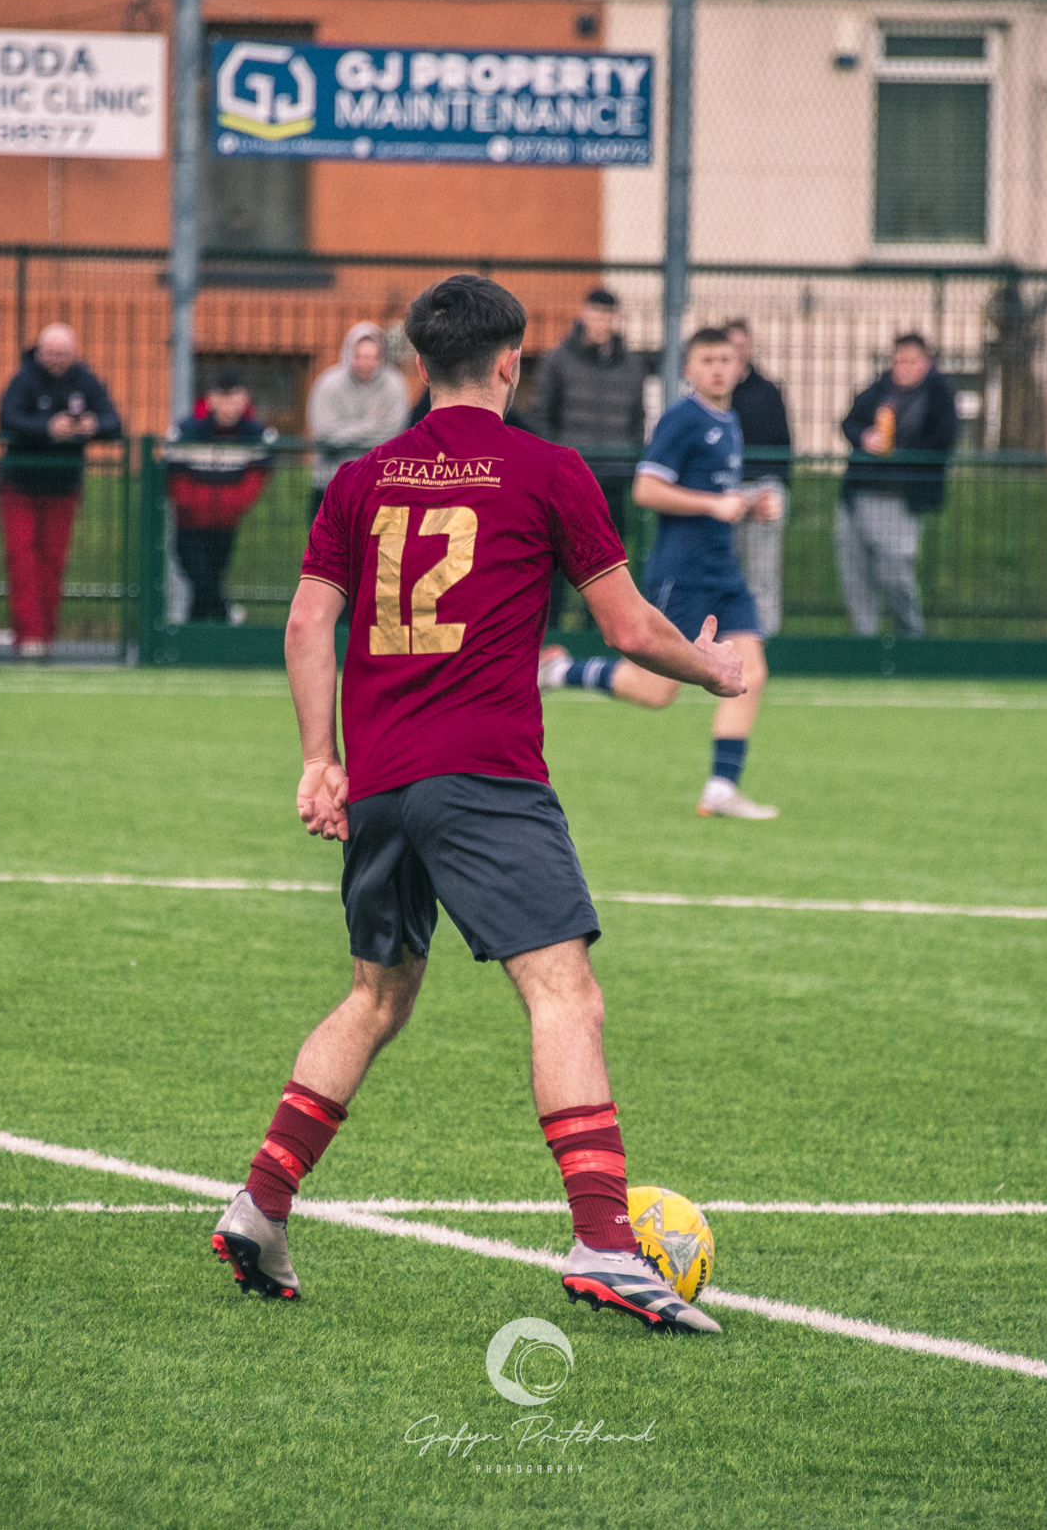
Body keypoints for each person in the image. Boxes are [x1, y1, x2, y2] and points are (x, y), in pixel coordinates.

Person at [209, 273, 742, 1334]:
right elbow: (632, 629)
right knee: (564, 996)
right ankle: (604, 1241)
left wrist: (323, 758)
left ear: (417, 365)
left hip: (387, 784)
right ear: (511, 362)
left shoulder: (360, 478)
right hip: (486, 778)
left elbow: (308, 627)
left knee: (375, 999)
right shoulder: (546, 469)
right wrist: (716, 672)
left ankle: (260, 1203)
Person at [540, 327, 781, 819]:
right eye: (707, 360)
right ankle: (557, 671)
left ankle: (721, 786)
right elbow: (646, 490)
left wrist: (748, 506)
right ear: (688, 370)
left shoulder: (729, 420)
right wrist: (715, 505)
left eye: (725, 359)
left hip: (724, 574)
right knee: (656, 691)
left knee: (749, 673)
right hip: (684, 574)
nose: (717, 368)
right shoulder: (682, 419)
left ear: (739, 367)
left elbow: (717, 496)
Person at [0, 324, 119, 657]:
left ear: (74, 353)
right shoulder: (23, 379)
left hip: (63, 487)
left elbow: (114, 421)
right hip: (19, 485)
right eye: (50, 353)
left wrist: (91, 426)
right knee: (22, 559)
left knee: (52, 563)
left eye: (63, 354)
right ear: (39, 352)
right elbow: (8, 418)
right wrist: (48, 427)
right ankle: (28, 637)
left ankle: (46, 637)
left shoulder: (85, 380)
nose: (56, 360)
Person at [525, 288, 648, 623]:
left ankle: (599, 636)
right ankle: (553, 638)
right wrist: (558, 463)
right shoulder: (557, 360)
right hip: (569, 481)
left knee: (608, 566)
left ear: (615, 318)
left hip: (613, 481)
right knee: (560, 565)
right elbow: (540, 417)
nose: (601, 322)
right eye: (595, 313)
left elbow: (638, 419)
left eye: (607, 315)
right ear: (583, 315)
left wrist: (627, 459)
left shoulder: (632, 365)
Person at [836, 335, 962, 638]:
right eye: (898, 360)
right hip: (859, 494)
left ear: (926, 363)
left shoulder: (938, 397)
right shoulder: (877, 391)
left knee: (895, 573)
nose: (902, 368)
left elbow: (943, 441)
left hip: (900, 499)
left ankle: (909, 634)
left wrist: (903, 454)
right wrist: (865, 437)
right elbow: (848, 423)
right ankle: (864, 638)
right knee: (856, 575)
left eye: (911, 361)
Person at [166, 370, 275, 623]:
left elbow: (255, 479)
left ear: (244, 400)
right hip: (190, 524)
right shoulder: (189, 431)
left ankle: (196, 636)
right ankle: (226, 614)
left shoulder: (254, 434)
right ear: (211, 399)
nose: (228, 406)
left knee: (209, 580)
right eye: (222, 398)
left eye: (234, 399)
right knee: (202, 577)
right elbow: (175, 477)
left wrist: (232, 506)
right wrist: (193, 506)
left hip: (226, 524)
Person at [724, 319, 793, 636]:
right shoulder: (713, 396)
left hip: (761, 488)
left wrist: (773, 489)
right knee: (725, 572)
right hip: (723, 494)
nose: (737, 354)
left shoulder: (767, 392)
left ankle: (765, 642)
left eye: (742, 346)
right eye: (731, 347)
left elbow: (784, 446)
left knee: (763, 575)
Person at [306, 322, 411, 523]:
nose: (366, 363)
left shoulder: (395, 386)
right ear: (348, 353)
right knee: (327, 549)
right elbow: (324, 436)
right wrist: (373, 427)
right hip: (330, 482)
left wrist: (345, 432)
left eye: (373, 357)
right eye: (360, 356)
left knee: (371, 551)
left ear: (382, 358)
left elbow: (394, 433)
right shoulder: (328, 384)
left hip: (377, 484)